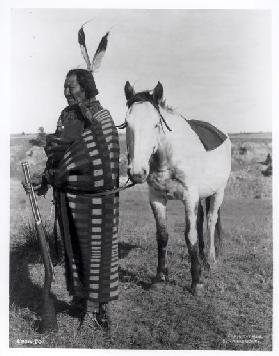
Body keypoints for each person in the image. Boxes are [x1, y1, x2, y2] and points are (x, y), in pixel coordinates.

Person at [24, 68, 120, 331]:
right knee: (74, 251)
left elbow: (103, 154)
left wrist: (67, 166)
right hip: (68, 197)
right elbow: (56, 153)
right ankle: (80, 300)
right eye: (65, 87)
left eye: (72, 87)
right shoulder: (65, 116)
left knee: (96, 253)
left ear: (86, 87)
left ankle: (97, 309)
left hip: (97, 200)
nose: (67, 92)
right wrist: (45, 177)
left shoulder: (101, 116)